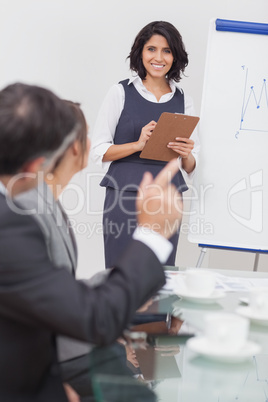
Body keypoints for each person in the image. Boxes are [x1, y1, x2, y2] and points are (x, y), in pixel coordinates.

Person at [0, 82, 182, 401]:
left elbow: (45, 288)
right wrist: (152, 234)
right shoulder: (14, 221)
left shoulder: (21, 205)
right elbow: (90, 318)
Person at [91, 20, 200, 269]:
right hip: (123, 196)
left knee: (160, 276)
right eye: (151, 49)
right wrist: (137, 144)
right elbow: (98, 150)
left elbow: (193, 166)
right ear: (140, 52)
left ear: (175, 56)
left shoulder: (184, 100)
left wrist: (186, 154)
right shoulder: (119, 93)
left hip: (167, 200)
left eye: (167, 50)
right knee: (120, 273)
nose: (158, 57)